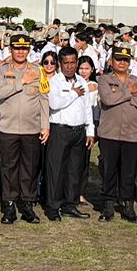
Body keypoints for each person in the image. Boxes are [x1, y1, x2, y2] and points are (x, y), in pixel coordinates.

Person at [0, 34, 49, 225]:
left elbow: (43, 98)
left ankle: (27, 205)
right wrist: (22, 81)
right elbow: (0, 93)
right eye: (17, 48)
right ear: (11, 50)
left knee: (30, 168)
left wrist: (45, 125)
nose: (21, 52)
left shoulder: (38, 70)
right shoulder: (1, 70)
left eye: (24, 49)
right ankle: (8, 205)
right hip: (8, 128)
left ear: (29, 50)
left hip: (31, 128)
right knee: (8, 167)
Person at [94, 44, 137, 223]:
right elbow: (108, 99)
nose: (122, 63)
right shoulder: (105, 80)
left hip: (132, 133)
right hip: (110, 133)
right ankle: (108, 205)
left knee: (129, 172)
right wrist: (127, 92)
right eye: (119, 59)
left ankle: (128, 205)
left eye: (125, 59)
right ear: (111, 61)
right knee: (109, 170)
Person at [45, 46, 95, 220]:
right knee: (57, 170)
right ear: (60, 64)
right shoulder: (54, 81)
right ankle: (53, 206)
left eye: (73, 62)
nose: (70, 66)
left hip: (79, 131)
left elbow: (87, 107)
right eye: (66, 63)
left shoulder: (82, 81)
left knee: (75, 171)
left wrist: (90, 130)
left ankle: (70, 205)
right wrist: (73, 93)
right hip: (60, 129)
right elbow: (55, 103)